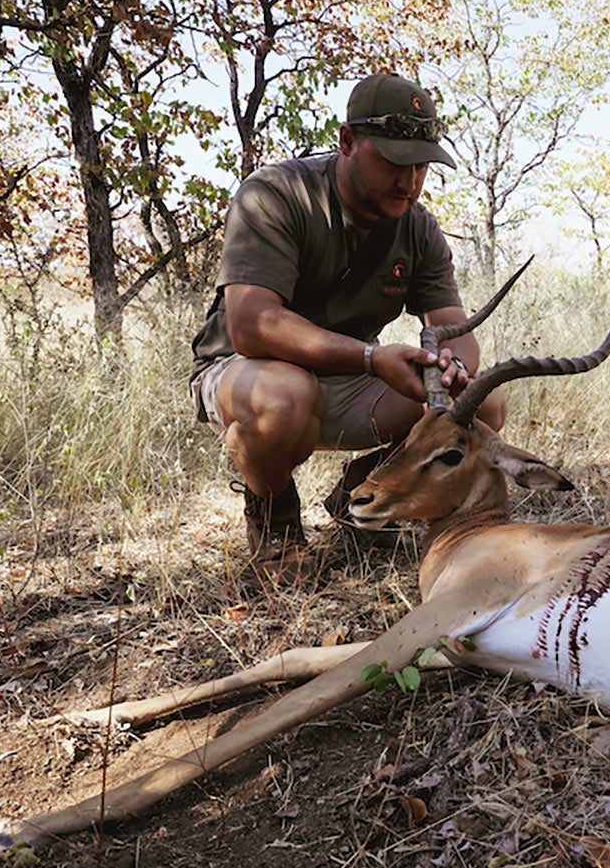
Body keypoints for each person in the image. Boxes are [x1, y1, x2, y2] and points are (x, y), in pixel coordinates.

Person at [189, 72, 506, 565]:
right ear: (348, 141)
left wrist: (452, 369)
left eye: (421, 165)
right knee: (283, 394)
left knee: (482, 402)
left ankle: (364, 496)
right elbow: (251, 325)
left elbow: (454, 326)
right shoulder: (274, 194)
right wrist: (369, 356)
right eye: (393, 162)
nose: (409, 181)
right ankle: (276, 520)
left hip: (354, 378)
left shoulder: (417, 226)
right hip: (247, 372)